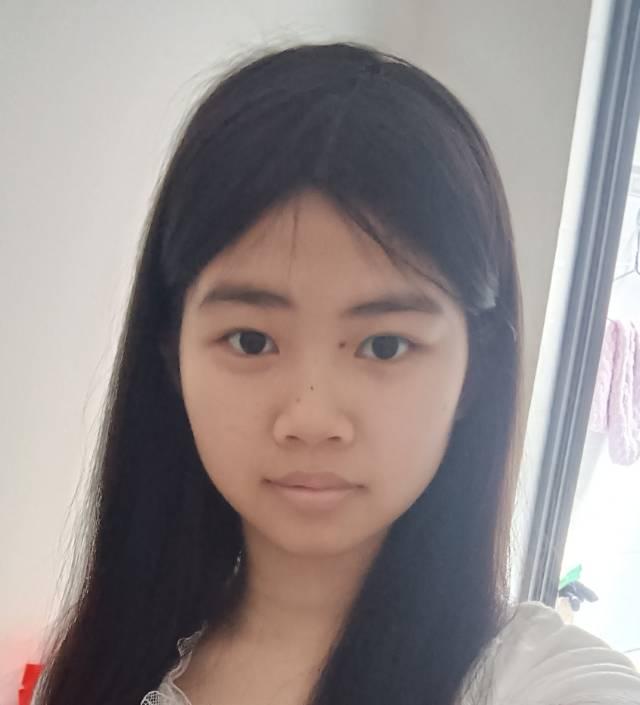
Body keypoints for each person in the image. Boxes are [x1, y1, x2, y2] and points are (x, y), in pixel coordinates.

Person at [33, 42, 640, 705]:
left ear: (475, 370)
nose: (312, 418)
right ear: (171, 356)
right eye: (251, 340)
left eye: (385, 345)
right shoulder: (106, 660)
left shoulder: (534, 681)